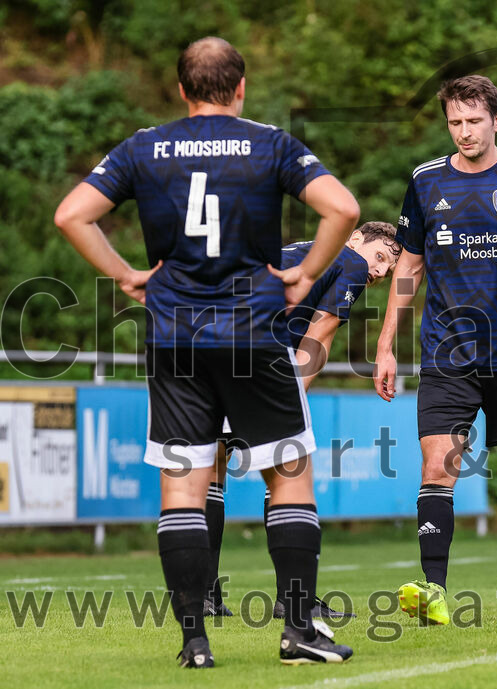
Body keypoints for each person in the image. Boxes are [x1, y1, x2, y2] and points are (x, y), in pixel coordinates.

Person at [54, 37, 360, 666]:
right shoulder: (270, 143)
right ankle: (298, 632)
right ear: (241, 87)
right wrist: (306, 274)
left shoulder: (145, 146)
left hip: (175, 339)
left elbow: (71, 215)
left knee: (184, 486)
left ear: (181, 90)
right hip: (253, 334)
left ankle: (194, 642)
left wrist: (125, 275)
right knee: (289, 474)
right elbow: (343, 208)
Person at [374, 75, 497, 624]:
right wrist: (386, 344)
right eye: (455, 122)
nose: (464, 131)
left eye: (474, 121)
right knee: (438, 464)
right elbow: (409, 267)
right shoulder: (426, 180)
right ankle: (433, 589)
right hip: (447, 350)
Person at [204, 222, 401, 618]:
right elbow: (321, 331)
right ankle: (293, 598)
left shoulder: (307, 249)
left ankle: (204, 595)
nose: (379, 271)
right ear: (356, 238)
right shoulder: (349, 261)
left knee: (213, 470)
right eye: (379, 257)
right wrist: (290, 396)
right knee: (289, 472)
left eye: (387, 270)